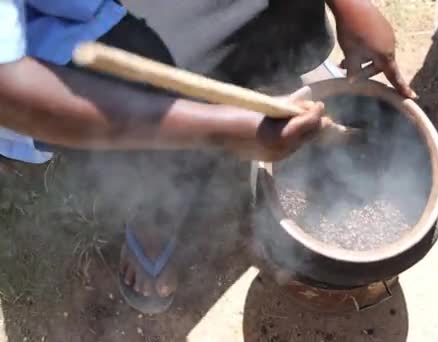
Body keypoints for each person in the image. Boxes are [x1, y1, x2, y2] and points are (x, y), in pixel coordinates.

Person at [0, 0, 413, 314]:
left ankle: (278, 71)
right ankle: (154, 215)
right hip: (47, 48)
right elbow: (11, 91)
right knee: (155, 98)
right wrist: (224, 132)